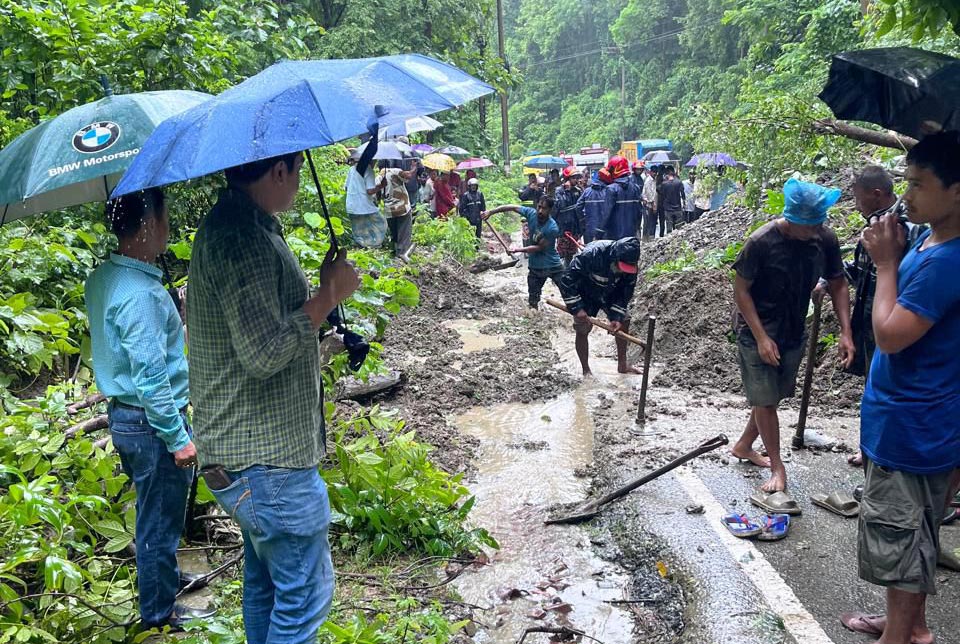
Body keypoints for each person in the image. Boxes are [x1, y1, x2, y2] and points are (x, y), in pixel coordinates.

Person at [188, 150, 361, 644]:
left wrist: (324, 296)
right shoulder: (239, 238)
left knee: (267, 587)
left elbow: (267, 325)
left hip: (251, 457)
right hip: (268, 463)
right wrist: (327, 298)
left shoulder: (250, 226)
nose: (300, 184)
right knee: (304, 597)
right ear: (280, 170)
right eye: (298, 172)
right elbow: (263, 351)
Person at [840, 131, 960, 644]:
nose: (904, 196)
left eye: (918, 184)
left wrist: (886, 263)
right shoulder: (934, 242)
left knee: (901, 535)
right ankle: (909, 624)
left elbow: (889, 336)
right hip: (915, 416)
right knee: (915, 532)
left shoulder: (949, 261)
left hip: (914, 425)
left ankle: (902, 636)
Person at [85, 188, 214, 632]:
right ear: (146, 225)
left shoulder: (106, 277)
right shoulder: (140, 294)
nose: (168, 225)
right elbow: (151, 377)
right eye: (163, 216)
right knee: (159, 520)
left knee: (155, 510)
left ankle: (166, 578)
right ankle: (159, 614)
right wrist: (177, 437)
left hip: (127, 418)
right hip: (151, 422)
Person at [730, 178, 854, 493]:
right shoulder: (760, 242)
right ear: (793, 220)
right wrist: (760, 337)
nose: (816, 231)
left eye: (819, 224)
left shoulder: (824, 239)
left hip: (793, 330)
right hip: (755, 330)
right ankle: (777, 468)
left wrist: (845, 330)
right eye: (810, 226)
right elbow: (740, 290)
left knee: (772, 395)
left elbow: (838, 282)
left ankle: (745, 445)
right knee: (766, 398)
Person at [833, 166, 922, 468]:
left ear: (876, 194)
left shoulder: (904, 230)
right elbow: (863, 271)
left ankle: (882, 453)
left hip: (894, 323)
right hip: (871, 321)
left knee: (885, 388)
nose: (856, 205)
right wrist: (830, 278)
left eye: (858, 199)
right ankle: (868, 446)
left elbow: (897, 273)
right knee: (872, 386)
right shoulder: (878, 226)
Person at [558, 237, 643, 375]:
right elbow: (567, 280)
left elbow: (625, 292)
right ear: (614, 256)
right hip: (585, 289)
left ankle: (623, 365)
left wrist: (616, 317)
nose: (624, 271)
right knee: (582, 327)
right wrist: (577, 308)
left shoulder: (631, 266)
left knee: (624, 320)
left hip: (611, 291)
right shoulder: (590, 254)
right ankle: (586, 370)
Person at [483, 197, 563, 309]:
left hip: (553, 265)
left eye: (544, 209)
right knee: (533, 301)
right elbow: (512, 207)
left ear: (550, 210)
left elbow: (539, 247)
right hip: (536, 266)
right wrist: (491, 212)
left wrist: (517, 250)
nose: (540, 211)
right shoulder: (531, 213)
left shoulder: (552, 227)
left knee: (568, 293)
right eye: (539, 207)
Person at [597, 156, 642, 241]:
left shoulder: (611, 189)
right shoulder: (636, 188)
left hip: (614, 236)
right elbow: (639, 212)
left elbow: (606, 214)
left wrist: (598, 233)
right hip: (631, 235)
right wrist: (636, 229)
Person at [379, 160, 416, 256]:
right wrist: (413, 168)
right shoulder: (395, 171)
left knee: (394, 233)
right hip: (402, 207)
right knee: (404, 232)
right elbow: (407, 176)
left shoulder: (378, 177)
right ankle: (402, 254)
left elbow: (377, 196)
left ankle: (394, 252)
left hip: (389, 210)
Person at [553, 167, 583, 267]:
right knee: (562, 252)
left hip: (574, 227)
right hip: (563, 227)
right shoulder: (559, 190)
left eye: (577, 177)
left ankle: (568, 272)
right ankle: (559, 273)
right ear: (568, 178)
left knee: (571, 252)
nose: (576, 180)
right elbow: (560, 205)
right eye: (574, 177)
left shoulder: (578, 191)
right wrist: (566, 191)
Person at [577, 171, 606, 244]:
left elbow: (578, 207)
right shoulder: (608, 191)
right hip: (604, 228)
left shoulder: (587, 191)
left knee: (589, 250)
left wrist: (582, 220)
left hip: (589, 227)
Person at [658, 167, 686, 233]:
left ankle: (670, 242)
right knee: (679, 227)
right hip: (678, 208)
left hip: (668, 209)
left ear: (667, 174)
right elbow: (683, 195)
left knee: (669, 227)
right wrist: (684, 204)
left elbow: (660, 193)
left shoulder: (664, 184)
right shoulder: (679, 182)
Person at [641, 167, 658, 239]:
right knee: (647, 222)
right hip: (648, 204)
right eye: (653, 172)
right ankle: (645, 238)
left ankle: (650, 237)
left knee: (652, 221)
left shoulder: (654, 180)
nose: (655, 174)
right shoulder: (648, 180)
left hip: (652, 204)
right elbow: (649, 194)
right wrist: (654, 204)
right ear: (650, 172)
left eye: (656, 172)